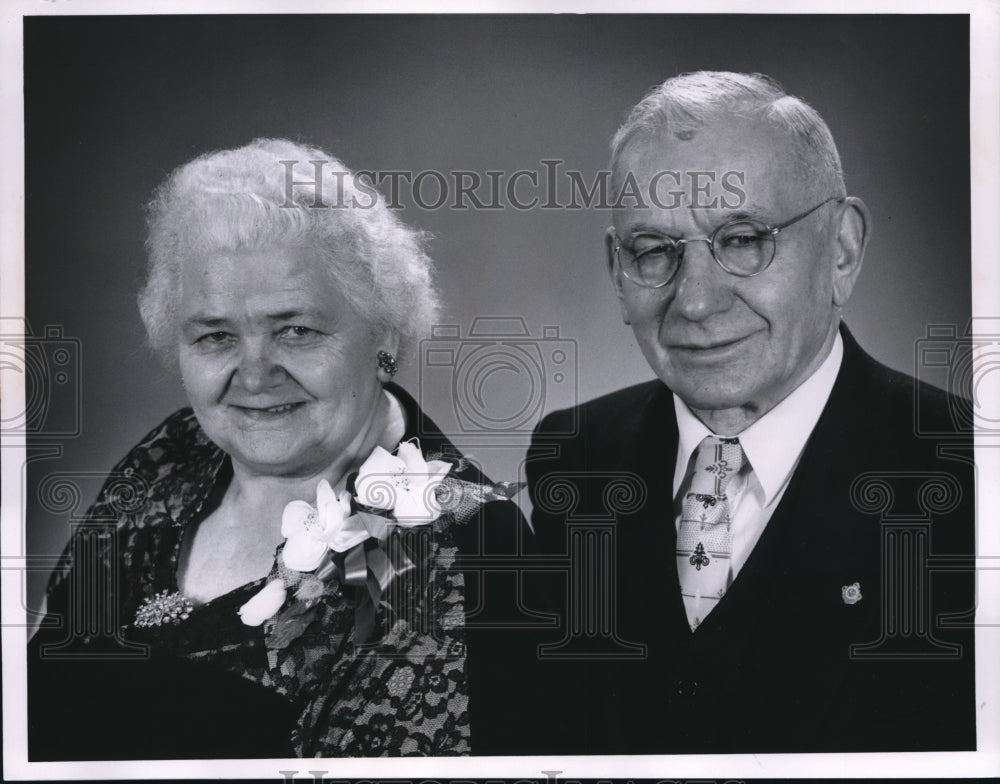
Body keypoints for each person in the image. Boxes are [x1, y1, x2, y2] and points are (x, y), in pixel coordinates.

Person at [27, 138, 525, 758]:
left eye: (296, 329)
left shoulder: (463, 542)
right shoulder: (171, 455)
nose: (255, 375)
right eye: (215, 336)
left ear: (385, 332)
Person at [526, 72, 976, 754]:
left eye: (741, 240)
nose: (696, 301)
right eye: (654, 251)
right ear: (618, 271)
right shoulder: (574, 456)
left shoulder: (973, 471)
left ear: (842, 250)